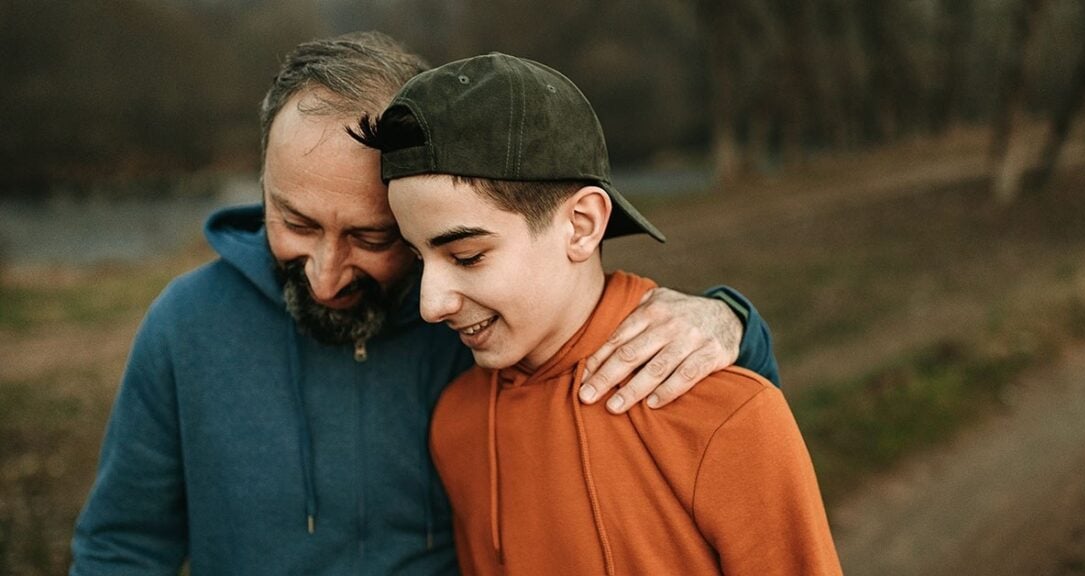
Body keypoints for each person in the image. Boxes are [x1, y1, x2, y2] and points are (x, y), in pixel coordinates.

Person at [69, 33, 778, 575]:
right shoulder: (185, 326)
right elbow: (123, 545)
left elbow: (603, 345)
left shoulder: (476, 328)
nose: (323, 275)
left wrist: (732, 322)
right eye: (295, 222)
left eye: (370, 237)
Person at [358, 52, 841, 574]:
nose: (431, 304)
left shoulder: (725, 415)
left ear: (582, 225)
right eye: (416, 257)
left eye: (467, 256)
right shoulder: (456, 425)